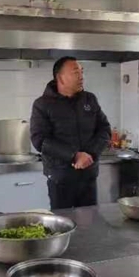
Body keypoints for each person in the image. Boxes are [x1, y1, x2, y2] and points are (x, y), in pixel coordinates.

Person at [30, 56, 111, 210]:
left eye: (82, 72)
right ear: (60, 78)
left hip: (88, 176)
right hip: (60, 178)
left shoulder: (89, 99)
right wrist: (74, 156)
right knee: (63, 220)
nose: (81, 77)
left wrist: (90, 155)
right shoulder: (42, 104)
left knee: (89, 219)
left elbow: (104, 129)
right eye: (75, 72)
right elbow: (39, 140)